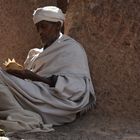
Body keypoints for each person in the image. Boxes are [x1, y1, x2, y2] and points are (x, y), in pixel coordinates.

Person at [0, 6, 95, 132]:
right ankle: (20, 114)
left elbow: (78, 88)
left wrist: (32, 76)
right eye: (37, 27)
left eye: (43, 26)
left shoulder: (71, 49)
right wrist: (17, 75)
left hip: (55, 103)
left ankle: (24, 117)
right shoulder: (35, 54)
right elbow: (28, 82)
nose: (40, 31)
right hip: (33, 95)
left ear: (57, 26)